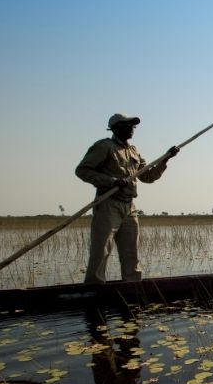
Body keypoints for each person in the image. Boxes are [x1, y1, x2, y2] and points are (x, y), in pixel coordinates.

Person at [76, 113, 179, 284]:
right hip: (108, 204)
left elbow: (148, 176)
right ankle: (94, 288)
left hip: (130, 206)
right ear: (115, 128)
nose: (131, 128)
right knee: (101, 250)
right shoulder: (104, 146)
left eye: (133, 126)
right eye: (127, 125)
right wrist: (112, 181)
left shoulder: (134, 151)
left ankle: (132, 288)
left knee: (131, 252)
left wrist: (165, 159)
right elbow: (82, 170)